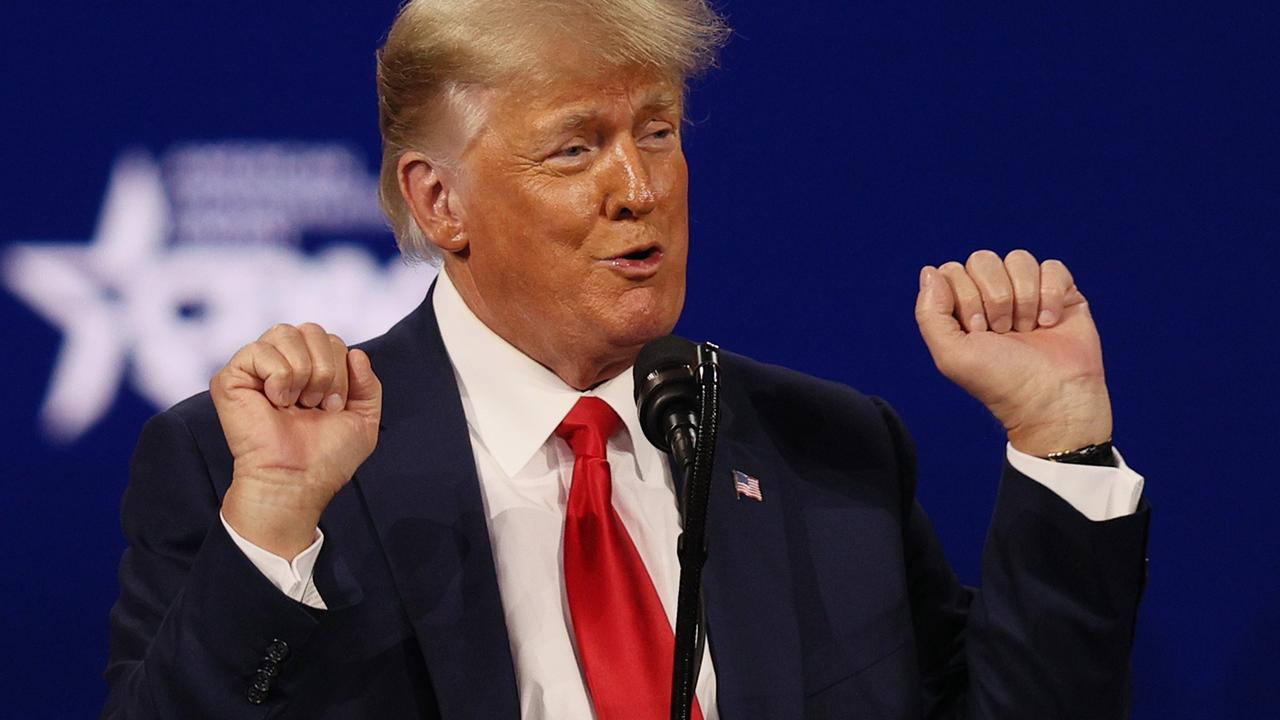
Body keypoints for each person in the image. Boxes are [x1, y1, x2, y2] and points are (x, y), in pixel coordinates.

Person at [103, 1, 1150, 718]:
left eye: (656, 133)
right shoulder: (250, 472)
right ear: (439, 200)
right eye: (574, 148)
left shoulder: (825, 447)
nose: (637, 186)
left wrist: (1059, 437)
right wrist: (278, 518)